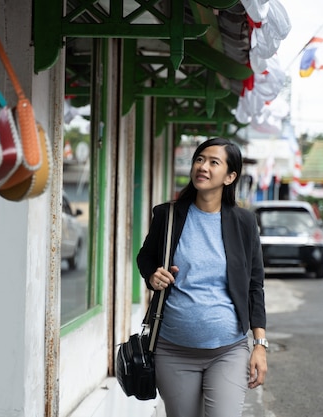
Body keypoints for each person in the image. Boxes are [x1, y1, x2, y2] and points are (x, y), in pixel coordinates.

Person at [137, 137, 267, 417]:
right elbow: (145, 258)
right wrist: (152, 276)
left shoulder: (244, 222)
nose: (203, 167)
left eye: (213, 162)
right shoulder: (168, 215)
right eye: (199, 159)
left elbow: (255, 286)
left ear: (230, 176)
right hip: (173, 350)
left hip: (228, 350)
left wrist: (260, 345)